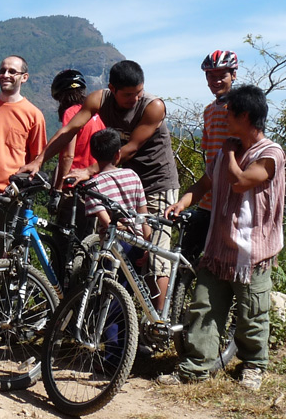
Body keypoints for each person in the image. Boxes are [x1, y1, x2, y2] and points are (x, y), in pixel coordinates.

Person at [19, 60, 179, 311]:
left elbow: (130, 148)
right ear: (111, 89)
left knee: (154, 254)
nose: (135, 99)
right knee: (113, 249)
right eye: (128, 95)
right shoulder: (98, 100)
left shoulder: (153, 107)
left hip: (156, 183)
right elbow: (69, 130)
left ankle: (157, 325)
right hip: (121, 180)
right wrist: (39, 161)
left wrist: (90, 170)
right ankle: (115, 318)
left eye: (138, 92)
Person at [159, 85, 284, 390]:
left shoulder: (271, 153)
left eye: (229, 114)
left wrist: (228, 152)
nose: (224, 119)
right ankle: (194, 368)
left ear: (245, 115)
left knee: (252, 313)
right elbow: (202, 185)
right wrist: (182, 203)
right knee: (204, 309)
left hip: (251, 252)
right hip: (218, 248)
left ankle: (254, 366)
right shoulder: (226, 151)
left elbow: (241, 182)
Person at [0, 54, 46, 260]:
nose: (6, 75)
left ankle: (0, 293)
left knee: (7, 256)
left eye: (13, 71)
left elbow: (36, 161)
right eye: (2, 70)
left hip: (12, 195)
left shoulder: (33, 115)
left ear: (24, 77)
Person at [183, 50, 239, 262]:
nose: (215, 80)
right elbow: (209, 156)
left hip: (231, 200)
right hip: (208, 199)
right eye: (210, 75)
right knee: (186, 258)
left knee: (226, 263)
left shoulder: (238, 107)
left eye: (221, 75)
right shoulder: (208, 110)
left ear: (233, 75)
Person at [47, 69, 105, 236]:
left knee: (63, 240)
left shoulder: (72, 113)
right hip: (95, 186)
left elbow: (67, 155)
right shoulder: (96, 114)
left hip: (73, 186)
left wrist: (58, 190)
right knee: (86, 239)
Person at [85, 128, 150, 242]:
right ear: (118, 153)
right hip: (138, 240)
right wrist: (148, 245)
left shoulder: (92, 186)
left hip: (113, 245)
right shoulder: (132, 175)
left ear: (92, 154)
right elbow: (143, 215)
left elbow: (107, 223)